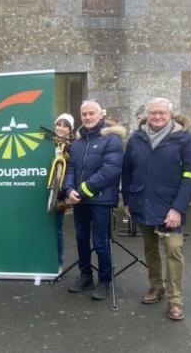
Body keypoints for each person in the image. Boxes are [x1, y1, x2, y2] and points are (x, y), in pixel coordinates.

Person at [121, 98, 191, 321]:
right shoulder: (136, 138)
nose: (157, 117)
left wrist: (178, 208)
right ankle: (156, 286)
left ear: (170, 114)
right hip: (142, 202)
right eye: (153, 113)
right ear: (147, 114)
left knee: (173, 249)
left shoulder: (183, 138)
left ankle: (175, 300)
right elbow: (127, 171)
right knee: (150, 248)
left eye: (162, 113)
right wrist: (127, 200)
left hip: (170, 206)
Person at [63, 100, 125, 300]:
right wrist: (69, 189)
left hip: (101, 200)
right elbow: (71, 167)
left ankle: (105, 280)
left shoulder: (111, 139)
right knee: (81, 239)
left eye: (92, 113)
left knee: (100, 242)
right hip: (80, 199)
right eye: (84, 114)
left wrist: (83, 190)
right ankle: (85, 276)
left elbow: (110, 170)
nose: (88, 117)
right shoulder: (79, 141)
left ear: (101, 115)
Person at [53, 113, 75, 272]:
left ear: (70, 129)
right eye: (59, 124)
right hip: (42, 189)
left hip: (59, 193)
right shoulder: (46, 143)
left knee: (57, 228)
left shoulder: (73, 146)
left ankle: (58, 263)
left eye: (65, 125)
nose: (61, 128)